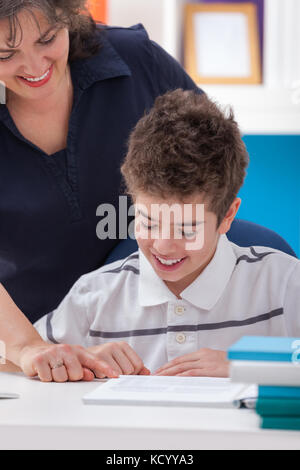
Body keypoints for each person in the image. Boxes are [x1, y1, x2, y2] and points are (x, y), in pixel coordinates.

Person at [33, 89, 300, 377]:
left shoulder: (283, 283)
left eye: (186, 229)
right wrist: (80, 356)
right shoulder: (94, 296)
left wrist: (244, 365)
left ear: (227, 216)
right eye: (148, 222)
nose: (163, 246)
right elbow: (14, 357)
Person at [0, 1, 200, 382]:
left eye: (46, 39)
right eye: (5, 55)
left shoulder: (135, 61)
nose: (33, 66)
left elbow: (214, 162)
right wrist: (29, 348)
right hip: (30, 345)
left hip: (156, 333)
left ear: (70, 17)